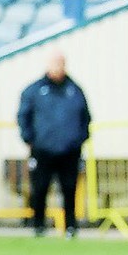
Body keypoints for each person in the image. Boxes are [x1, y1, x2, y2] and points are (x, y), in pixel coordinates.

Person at [18, 50, 91, 236]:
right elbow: (23, 116)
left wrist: (79, 139)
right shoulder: (35, 90)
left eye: (61, 63)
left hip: (69, 150)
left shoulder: (74, 89)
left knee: (69, 188)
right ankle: (39, 225)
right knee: (40, 188)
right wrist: (30, 139)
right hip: (43, 149)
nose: (58, 67)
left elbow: (85, 117)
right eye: (55, 63)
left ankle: (70, 226)